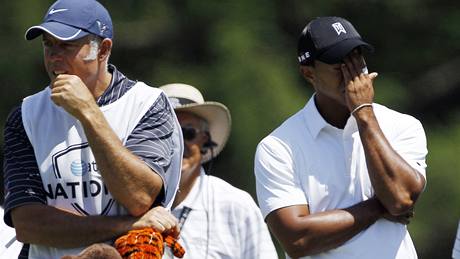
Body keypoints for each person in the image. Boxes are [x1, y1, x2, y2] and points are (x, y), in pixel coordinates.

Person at [2, 0, 183, 258]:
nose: (54, 56)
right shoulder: (25, 114)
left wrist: (88, 113)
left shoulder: (147, 104)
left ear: (103, 50)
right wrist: (126, 226)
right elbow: (28, 224)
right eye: (48, 45)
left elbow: (139, 197)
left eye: (67, 45)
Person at [254, 16, 428, 259]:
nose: (354, 73)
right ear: (308, 73)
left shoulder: (403, 125)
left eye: (358, 58)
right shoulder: (278, 147)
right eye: (339, 65)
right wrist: (377, 207)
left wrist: (364, 114)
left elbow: (400, 199)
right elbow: (298, 239)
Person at [160, 83, 278, 258]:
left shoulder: (236, 205)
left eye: (188, 133)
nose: (178, 144)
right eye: (167, 132)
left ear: (204, 141)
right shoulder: (125, 200)